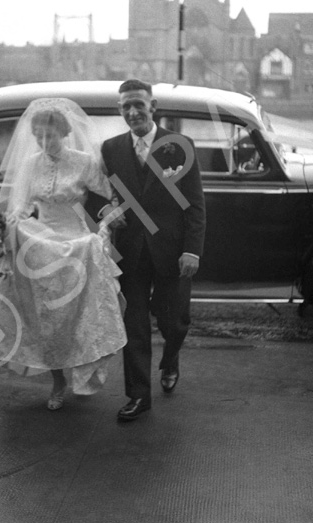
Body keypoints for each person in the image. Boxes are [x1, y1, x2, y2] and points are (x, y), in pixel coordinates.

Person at [0, 98, 127, 410]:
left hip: (76, 242)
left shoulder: (83, 162)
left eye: (50, 135)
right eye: (39, 136)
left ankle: (84, 368)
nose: (45, 142)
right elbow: (21, 204)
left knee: (76, 316)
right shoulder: (30, 164)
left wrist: (108, 219)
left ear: (64, 133)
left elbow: (111, 194)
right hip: (42, 244)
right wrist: (12, 221)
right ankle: (58, 380)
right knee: (46, 317)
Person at [100, 79, 206, 421]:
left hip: (172, 252)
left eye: (138, 105)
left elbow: (194, 204)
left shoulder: (180, 146)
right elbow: (99, 194)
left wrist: (192, 250)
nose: (132, 112)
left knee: (174, 321)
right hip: (129, 252)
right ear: (120, 111)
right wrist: (106, 212)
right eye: (125, 107)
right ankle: (139, 396)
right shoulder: (111, 149)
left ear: (153, 106)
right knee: (134, 325)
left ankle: (171, 359)